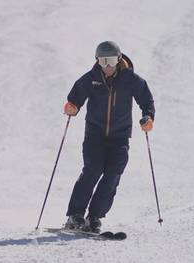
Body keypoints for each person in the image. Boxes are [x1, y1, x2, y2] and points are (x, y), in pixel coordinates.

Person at [63, 41, 155, 232]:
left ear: (119, 59)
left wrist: (148, 117)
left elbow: (146, 99)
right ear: (97, 61)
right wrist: (72, 106)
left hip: (119, 137)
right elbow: (75, 96)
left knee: (113, 174)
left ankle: (94, 216)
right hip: (94, 136)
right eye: (103, 61)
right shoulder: (91, 78)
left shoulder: (130, 79)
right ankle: (75, 215)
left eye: (111, 61)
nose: (107, 66)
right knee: (92, 170)